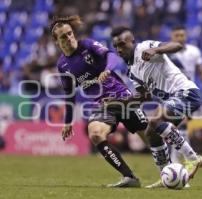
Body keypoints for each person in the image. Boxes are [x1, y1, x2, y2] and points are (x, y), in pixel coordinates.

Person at [50, 16, 169, 188]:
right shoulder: (62, 65)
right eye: (63, 36)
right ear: (56, 41)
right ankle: (129, 177)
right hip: (103, 105)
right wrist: (67, 122)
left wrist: (107, 69)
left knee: (150, 138)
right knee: (96, 133)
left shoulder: (88, 45)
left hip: (122, 97)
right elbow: (69, 94)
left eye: (70, 33)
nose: (69, 38)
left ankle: (170, 173)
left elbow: (111, 56)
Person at [110, 26, 202, 188]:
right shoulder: (132, 71)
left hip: (186, 92)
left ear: (132, 42)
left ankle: (193, 159)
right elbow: (144, 96)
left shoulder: (145, 47)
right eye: (116, 46)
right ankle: (166, 175)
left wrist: (157, 50)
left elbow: (177, 46)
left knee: (154, 120)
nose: (119, 49)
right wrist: (119, 103)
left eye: (122, 45)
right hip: (172, 99)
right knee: (150, 133)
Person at [167, 25, 202, 166]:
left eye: (182, 35)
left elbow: (201, 71)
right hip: (171, 93)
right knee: (173, 127)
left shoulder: (194, 51)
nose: (180, 38)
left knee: (181, 125)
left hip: (188, 93)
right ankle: (180, 162)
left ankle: (179, 163)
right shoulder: (167, 53)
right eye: (177, 35)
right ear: (172, 37)